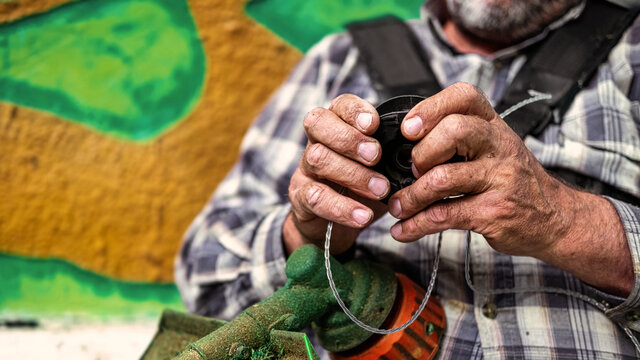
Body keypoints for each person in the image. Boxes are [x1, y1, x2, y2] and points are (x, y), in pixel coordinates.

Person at [175, 0, 640, 358]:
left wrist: (564, 221)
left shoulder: (632, 53)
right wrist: (307, 234)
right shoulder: (340, 58)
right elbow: (202, 278)